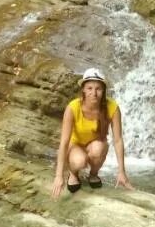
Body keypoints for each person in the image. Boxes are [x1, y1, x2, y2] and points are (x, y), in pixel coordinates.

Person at [52, 67, 133, 197]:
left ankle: (93, 174)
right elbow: (64, 143)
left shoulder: (112, 107)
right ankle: (73, 174)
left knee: (99, 147)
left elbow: (118, 140)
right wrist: (58, 176)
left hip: (95, 145)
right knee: (79, 161)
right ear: (83, 89)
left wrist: (122, 172)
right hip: (75, 146)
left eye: (98, 89)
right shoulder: (73, 107)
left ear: (104, 90)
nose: (94, 93)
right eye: (90, 88)